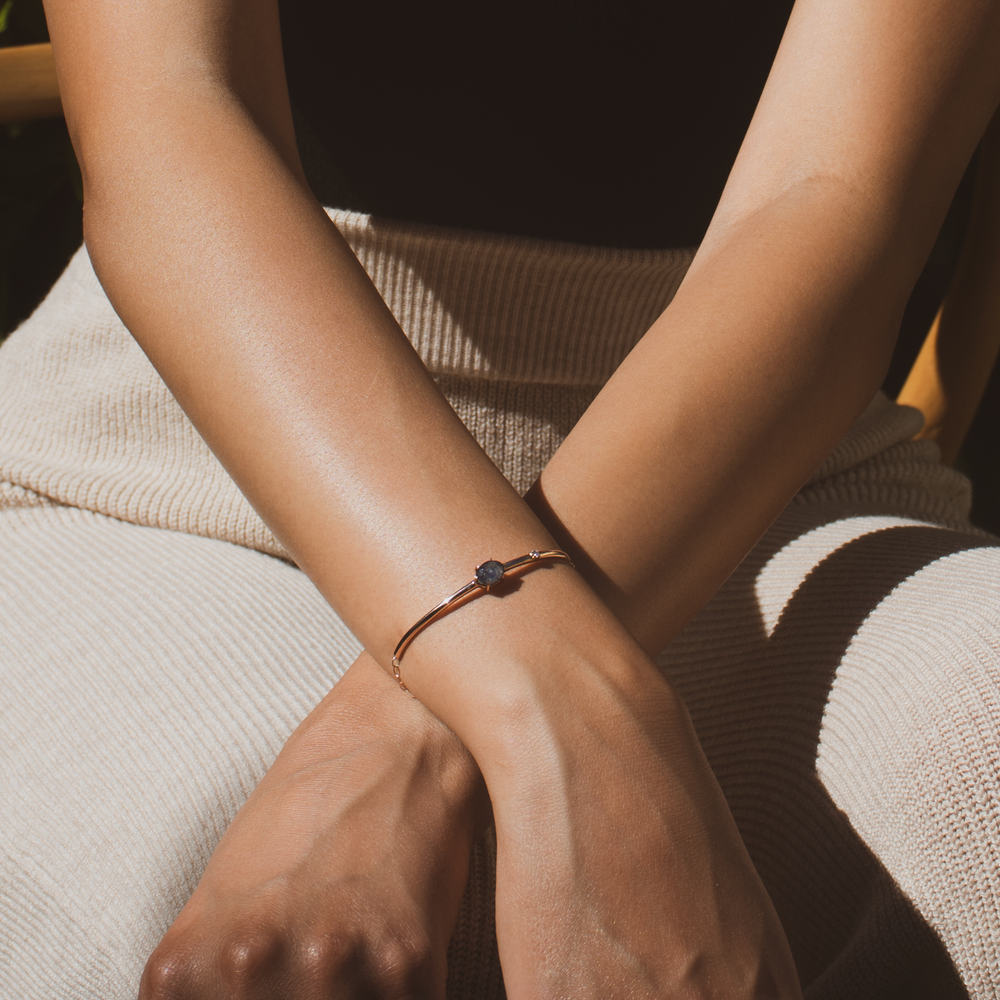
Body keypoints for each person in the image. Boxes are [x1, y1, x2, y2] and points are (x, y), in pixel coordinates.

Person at [1, 0, 999, 997]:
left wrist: (410, 730)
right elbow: (173, 113)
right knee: (247, 917)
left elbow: (832, 190)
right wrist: (567, 708)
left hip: (759, 479)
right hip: (185, 458)